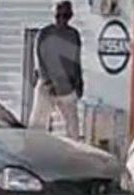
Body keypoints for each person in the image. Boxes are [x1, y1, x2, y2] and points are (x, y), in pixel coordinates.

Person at [29, 1, 83, 139]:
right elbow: (39, 59)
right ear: (53, 14)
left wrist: (79, 82)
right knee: (38, 124)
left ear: (70, 15)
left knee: (73, 127)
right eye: (58, 15)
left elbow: (76, 61)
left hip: (67, 85)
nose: (61, 19)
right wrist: (48, 81)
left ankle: (72, 150)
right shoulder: (44, 33)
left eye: (65, 15)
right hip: (47, 85)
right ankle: (34, 147)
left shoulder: (74, 35)